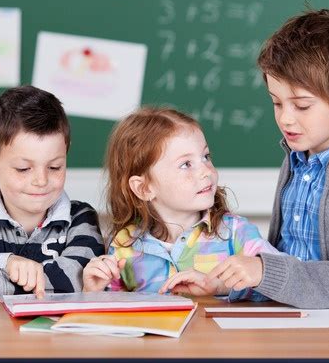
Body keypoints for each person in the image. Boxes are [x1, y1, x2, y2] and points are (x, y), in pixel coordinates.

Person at [209, 8, 329, 309]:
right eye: (276, 103)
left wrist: (264, 270)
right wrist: (228, 282)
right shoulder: (295, 160)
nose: (285, 119)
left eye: (302, 106)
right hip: (293, 315)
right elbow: (282, 258)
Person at [82, 106, 279, 298]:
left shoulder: (236, 233)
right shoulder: (124, 246)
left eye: (206, 156)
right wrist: (93, 293)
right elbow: (114, 315)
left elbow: (283, 281)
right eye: (186, 164)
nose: (206, 171)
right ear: (144, 188)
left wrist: (220, 286)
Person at [0, 85, 105, 302]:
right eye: (24, 169)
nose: (41, 181)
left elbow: (75, 277)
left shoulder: (80, 218)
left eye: (54, 167)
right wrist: (4, 261)